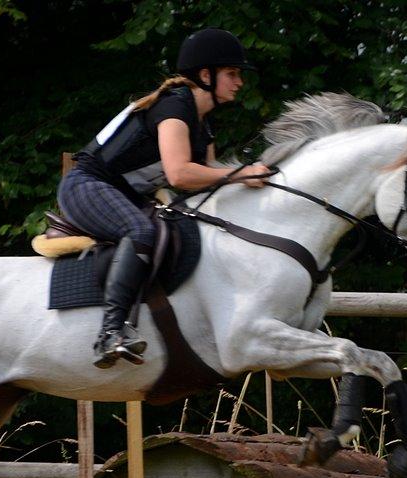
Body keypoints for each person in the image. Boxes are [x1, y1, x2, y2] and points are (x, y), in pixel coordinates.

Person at [58, 28, 270, 369]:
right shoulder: (175, 107)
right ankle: (110, 333)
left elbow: (207, 175)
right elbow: (179, 175)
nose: (239, 82)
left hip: (122, 192)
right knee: (141, 231)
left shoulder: (203, 124)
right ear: (206, 75)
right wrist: (239, 174)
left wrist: (251, 177)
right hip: (86, 185)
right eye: (232, 73)